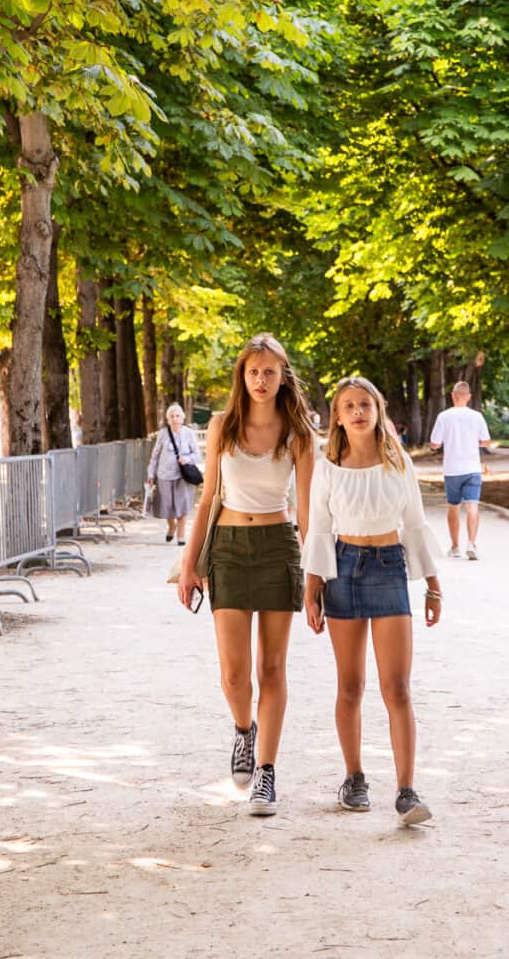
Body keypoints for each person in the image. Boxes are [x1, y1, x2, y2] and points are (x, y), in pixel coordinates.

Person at [178, 333, 315, 817]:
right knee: (235, 675)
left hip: (279, 548)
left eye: (270, 372)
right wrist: (189, 565)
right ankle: (243, 731)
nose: (261, 380)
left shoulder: (298, 432)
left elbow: (308, 511)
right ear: (243, 375)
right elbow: (207, 496)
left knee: (272, 669)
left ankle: (267, 774)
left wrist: (316, 573)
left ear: (283, 377)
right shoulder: (222, 426)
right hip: (231, 550)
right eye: (253, 371)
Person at [303, 376, 442, 826]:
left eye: (365, 403)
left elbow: (416, 523)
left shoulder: (397, 461)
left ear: (378, 410)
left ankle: (406, 790)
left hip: (388, 569)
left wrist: (433, 585)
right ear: (338, 417)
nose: (358, 411)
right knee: (350, 686)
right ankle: (354, 778)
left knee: (397, 687)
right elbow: (319, 529)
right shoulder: (327, 465)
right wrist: (312, 589)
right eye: (349, 406)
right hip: (342, 570)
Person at [429, 380, 491, 561]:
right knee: (472, 506)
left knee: (453, 507)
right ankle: (471, 544)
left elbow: (434, 444)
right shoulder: (477, 416)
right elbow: (486, 441)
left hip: (452, 470)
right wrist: (476, 442)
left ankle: (455, 547)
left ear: (453, 396)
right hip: (472, 468)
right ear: (469, 397)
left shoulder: (444, 416)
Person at [147, 403, 202, 546]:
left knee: (182, 505)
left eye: (178, 416)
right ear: (168, 419)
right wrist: (151, 474)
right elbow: (155, 456)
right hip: (164, 475)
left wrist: (187, 459)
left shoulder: (189, 433)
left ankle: (181, 535)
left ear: (182, 418)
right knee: (167, 507)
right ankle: (172, 526)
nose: (175, 418)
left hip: (183, 476)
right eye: (172, 416)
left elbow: (198, 455)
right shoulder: (163, 434)